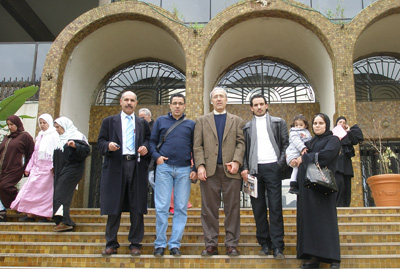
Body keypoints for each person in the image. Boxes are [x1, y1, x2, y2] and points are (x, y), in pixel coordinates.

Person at [98, 91, 151, 257]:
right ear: (121, 102)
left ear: (136, 103)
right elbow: (100, 142)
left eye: (132, 100)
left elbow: (148, 141)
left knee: (137, 207)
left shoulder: (142, 123)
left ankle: (135, 244)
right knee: (114, 206)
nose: (129, 103)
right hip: (116, 166)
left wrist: (145, 148)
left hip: (136, 167)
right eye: (126, 100)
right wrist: (108, 145)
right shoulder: (109, 121)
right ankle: (111, 243)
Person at [193, 87, 245, 256]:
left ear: (226, 99)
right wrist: (200, 165)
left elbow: (241, 143)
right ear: (212, 101)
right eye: (215, 97)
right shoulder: (202, 120)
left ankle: (231, 244)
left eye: (221, 96)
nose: (219, 99)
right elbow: (197, 145)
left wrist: (237, 161)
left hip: (231, 171)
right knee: (208, 209)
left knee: (233, 208)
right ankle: (211, 244)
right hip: (209, 172)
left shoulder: (236, 120)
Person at [240, 94, 289, 259]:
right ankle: (264, 244)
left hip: (273, 167)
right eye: (255, 105)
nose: (259, 107)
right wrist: (245, 168)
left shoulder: (278, 122)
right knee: (258, 209)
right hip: (254, 171)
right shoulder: (246, 127)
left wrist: (279, 164)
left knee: (275, 208)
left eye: (261, 104)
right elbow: (244, 151)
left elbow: (285, 144)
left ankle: (278, 246)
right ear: (251, 108)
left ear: (266, 105)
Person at [149, 93, 197, 256]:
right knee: (162, 207)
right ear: (170, 105)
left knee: (181, 208)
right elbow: (152, 142)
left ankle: (175, 244)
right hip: (164, 168)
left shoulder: (191, 124)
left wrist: (195, 168)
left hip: (184, 170)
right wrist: (157, 158)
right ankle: (160, 244)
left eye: (180, 103)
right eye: (174, 103)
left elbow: (195, 148)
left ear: (184, 106)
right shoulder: (161, 121)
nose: (177, 106)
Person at [292, 113, 341, 269]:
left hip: (324, 187)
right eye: (315, 123)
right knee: (311, 222)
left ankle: (333, 258)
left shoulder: (333, 140)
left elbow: (326, 156)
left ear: (326, 124)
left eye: (321, 123)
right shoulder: (311, 141)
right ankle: (314, 258)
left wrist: (304, 158)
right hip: (308, 188)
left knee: (326, 221)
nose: (317, 125)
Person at [11, 113, 59, 222]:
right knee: (31, 191)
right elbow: (35, 153)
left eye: (44, 123)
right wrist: (29, 167)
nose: (42, 125)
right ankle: (30, 215)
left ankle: (46, 215)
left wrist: (54, 166)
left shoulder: (54, 135)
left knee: (45, 194)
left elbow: (56, 152)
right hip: (37, 169)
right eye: (40, 123)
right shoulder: (40, 135)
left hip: (48, 171)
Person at [52, 117, 90, 232]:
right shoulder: (60, 139)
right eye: (56, 128)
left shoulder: (77, 136)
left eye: (58, 127)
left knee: (61, 194)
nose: (57, 130)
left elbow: (86, 151)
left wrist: (75, 146)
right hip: (61, 170)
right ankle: (61, 221)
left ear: (65, 126)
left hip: (73, 169)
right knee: (58, 194)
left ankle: (65, 221)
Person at [0, 115, 34, 222]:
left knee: (5, 186)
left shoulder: (25, 136)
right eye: (8, 125)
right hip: (3, 168)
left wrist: (28, 168)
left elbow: (31, 153)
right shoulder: (7, 137)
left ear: (18, 124)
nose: (10, 127)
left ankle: (19, 204)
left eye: (12, 125)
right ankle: (9, 208)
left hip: (15, 168)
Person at [335, 116, 363, 207]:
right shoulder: (332, 134)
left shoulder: (348, 135)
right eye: (340, 122)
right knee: (339, 185)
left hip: (346, 165)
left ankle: (346, 207)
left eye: (344, 122)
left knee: (347, 187)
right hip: (337, 166)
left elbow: (356, 140)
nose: (342, 124)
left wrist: (349, 130)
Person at [286, 114, 312, 195]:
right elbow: (297, 142)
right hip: (294, 153)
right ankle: (293, 184)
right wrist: (303, 148)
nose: (298, 127)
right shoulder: (293, 132)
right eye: (296, 125)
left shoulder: (307, 133)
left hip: (300, 154)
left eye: (301, 125)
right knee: (296, 168)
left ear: (305, 125)